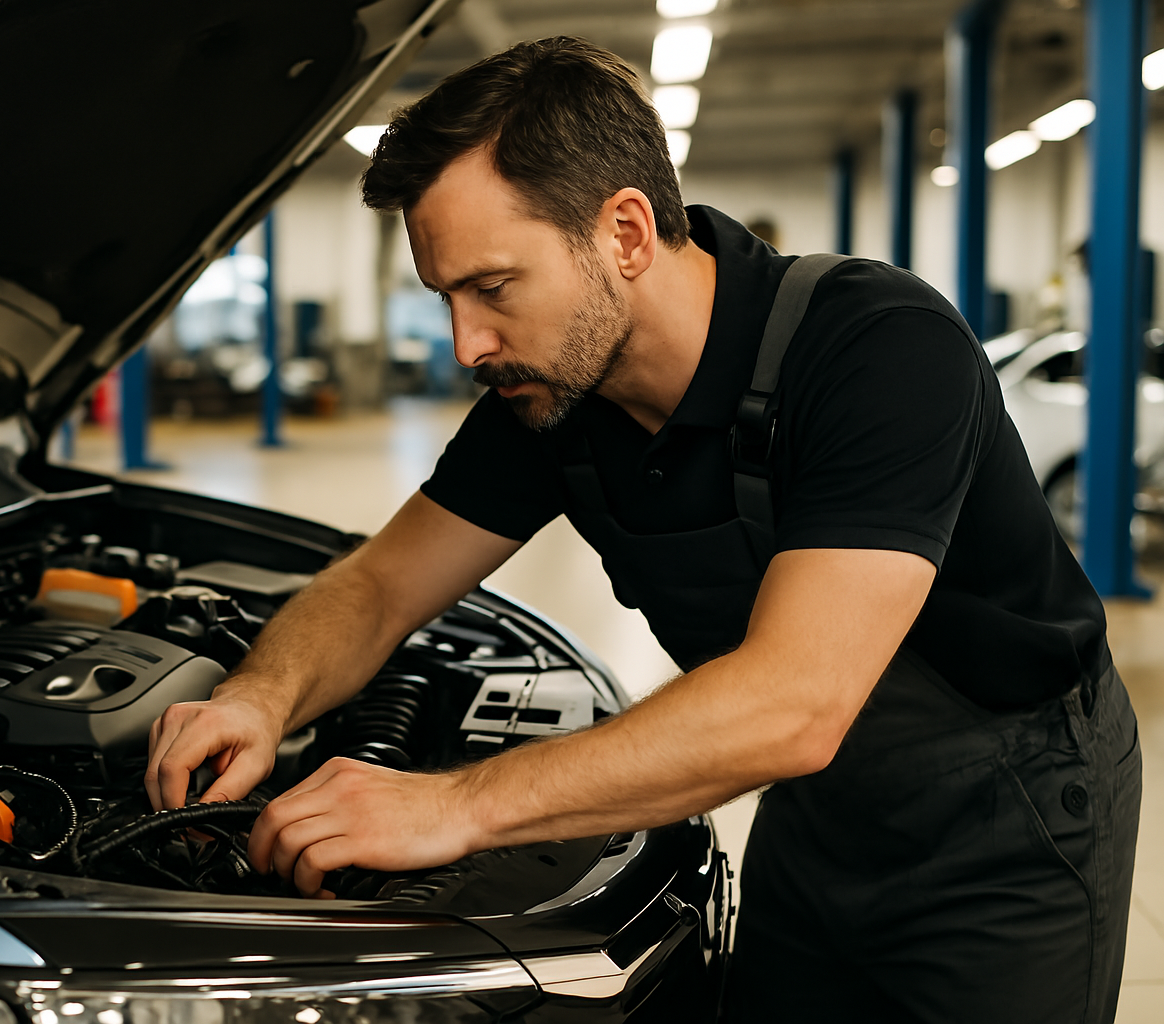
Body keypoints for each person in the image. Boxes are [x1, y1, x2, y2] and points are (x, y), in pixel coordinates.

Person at [145, 37, 1141, 1023]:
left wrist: (446, 803)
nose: (466, 344)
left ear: (625, 233)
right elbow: (377, 585)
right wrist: (261, 696)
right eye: (446, 297)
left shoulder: (876, 349)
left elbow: (797, 702)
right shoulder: (547, 398)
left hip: (1012, 825)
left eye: (493, 287)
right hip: (821, 816)